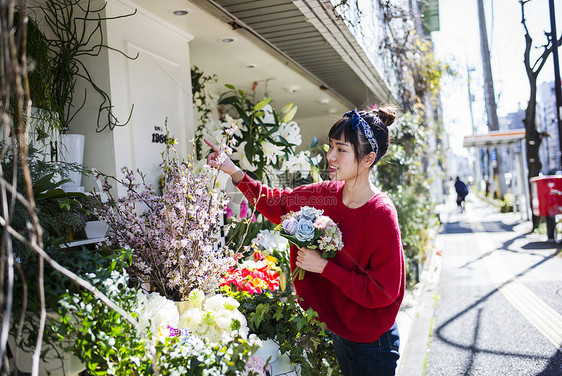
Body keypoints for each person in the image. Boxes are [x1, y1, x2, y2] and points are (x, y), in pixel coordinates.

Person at [206, 107, 405, 376]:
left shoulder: (380, 213)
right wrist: (234, 172)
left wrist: (324, 267)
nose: (330, 157)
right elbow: (277, 202)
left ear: (368, 158)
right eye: (331, 146)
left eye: (341, 150)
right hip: (343, 332)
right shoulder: (327, 193)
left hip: (373, 342)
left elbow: (383, 291)